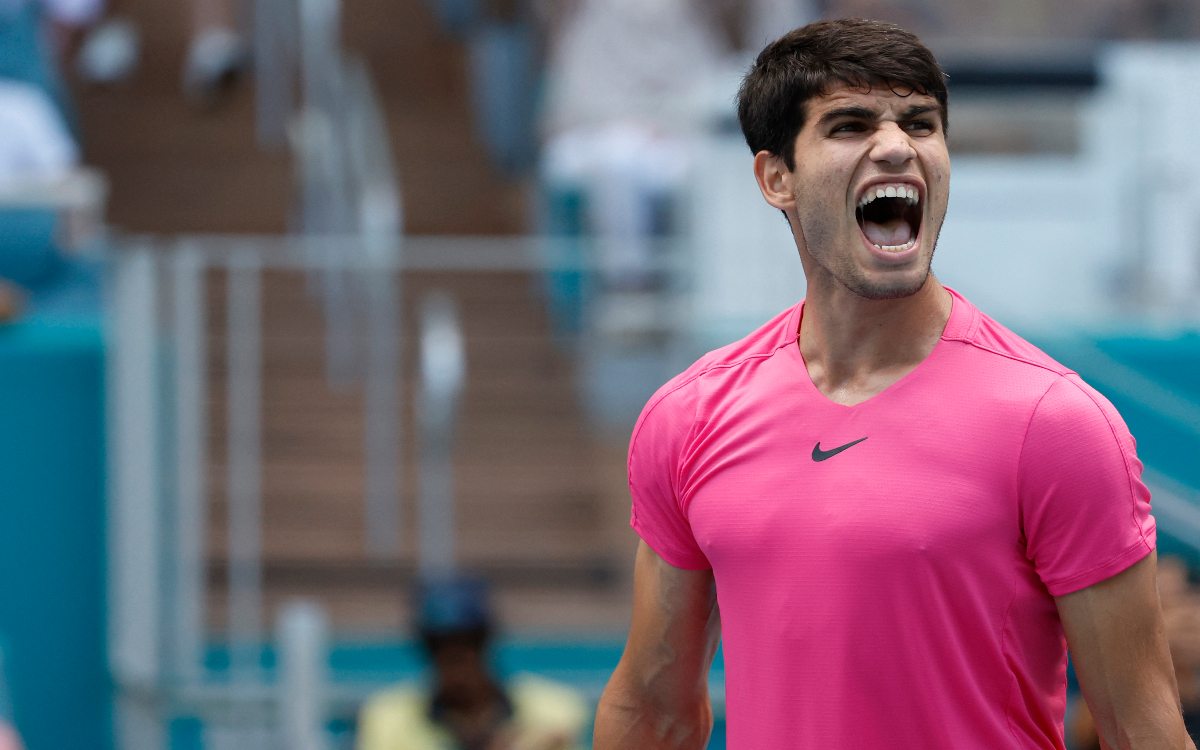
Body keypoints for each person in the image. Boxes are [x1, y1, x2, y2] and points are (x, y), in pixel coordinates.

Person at [594, 18, 1192, 750]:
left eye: (921, 123)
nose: (897, 146)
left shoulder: (1055, 422)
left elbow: (1141, 730)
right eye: (850, 125)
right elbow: (653, 710)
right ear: (775, 177)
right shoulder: (690, 416)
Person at [357, 577, 588, 750]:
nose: (455, 660)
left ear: (487, 642)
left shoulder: (555, 710)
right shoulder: (386, 718)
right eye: (439, 646)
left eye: (469, 644)